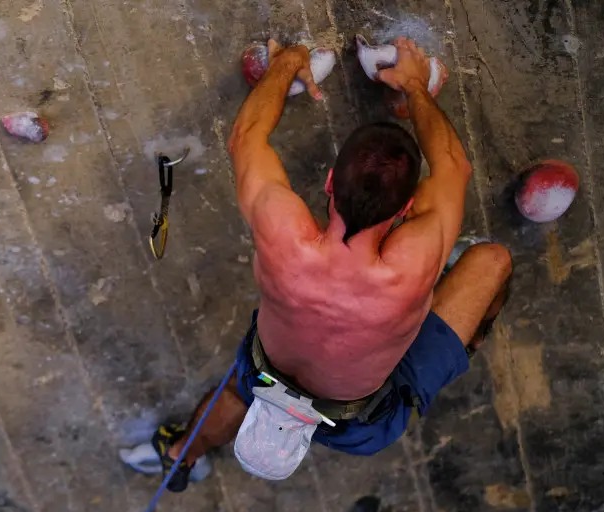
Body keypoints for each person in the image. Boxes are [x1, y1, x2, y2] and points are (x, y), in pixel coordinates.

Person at [154, 38, 512, 488]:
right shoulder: (419, 256)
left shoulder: (281, 231)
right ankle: (469, 333)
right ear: (407, 210)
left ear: (328, 183)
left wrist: (284, 64)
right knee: (493, 261)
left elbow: (246, 136)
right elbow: (454, 166)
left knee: (236, 391)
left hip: (266, 374)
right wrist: (415, 86)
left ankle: (180, 456)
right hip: (360, 419)